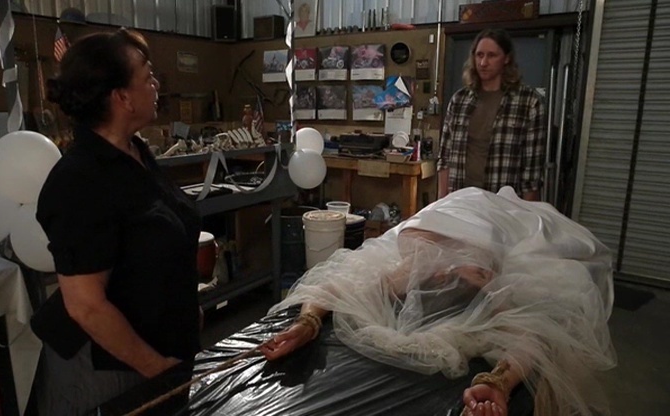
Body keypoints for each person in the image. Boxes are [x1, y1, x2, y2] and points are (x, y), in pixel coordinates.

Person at [261, 186, 616, 416]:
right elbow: (335, 286)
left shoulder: (488, 274)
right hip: (455, 213)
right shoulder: (410, 266)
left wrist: (499, 382)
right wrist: (306, 322)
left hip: (487, 219)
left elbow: (531, 331)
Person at [34, 28, 202, 414]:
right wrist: (157, 369)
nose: (156, 85)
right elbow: (86, 306)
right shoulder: (78, 180)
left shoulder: (135, 152)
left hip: (161, 346)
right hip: (111, 365)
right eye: (148, 76)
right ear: (122, 97)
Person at [437, 28, 546, 201]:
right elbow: (444, 158)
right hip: (460, 199)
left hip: (501, 203)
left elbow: (531, 172)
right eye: (479, 55)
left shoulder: (528, 102)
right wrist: (441, 203)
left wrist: (527, 213)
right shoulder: (459, 100)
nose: (483, 63)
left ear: (506, 58)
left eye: (492, 55)